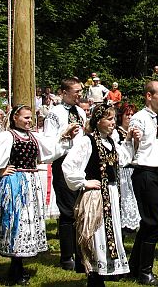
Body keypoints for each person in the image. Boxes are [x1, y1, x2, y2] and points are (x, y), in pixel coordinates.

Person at [0, 104, 77, 285]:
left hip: (31, 184)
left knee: (27, 223)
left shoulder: (34, 137)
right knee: (17, 223)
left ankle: (17, 267)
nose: (29, 121)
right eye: (26, 118)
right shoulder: (7, 137)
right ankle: (16, 268)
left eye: (31, 118)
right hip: (14, 184)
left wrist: (66, 134)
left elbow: (51, 148)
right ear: (15, 118)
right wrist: (0, 170)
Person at [62, 104, 138, 286]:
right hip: (95, 196)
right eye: (109, 119)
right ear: (98, 121)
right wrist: (84, 182)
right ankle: (94, 275)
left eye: (114, 119)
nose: (113, 122)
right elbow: (69, 164)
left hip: (110, 194)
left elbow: (124, 159)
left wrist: (129, 140)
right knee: (95, 233)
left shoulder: (111, 142)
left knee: (107, 233)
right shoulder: (87, 141)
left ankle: (102, 273)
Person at [128, 80, 158, 285]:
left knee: (149, 221)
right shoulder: (139, 118)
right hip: (146, 173)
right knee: (154, 222)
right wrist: (134, 138)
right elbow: (133, 143)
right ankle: (145, 271)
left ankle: (134, 266)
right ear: (149, 96)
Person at [44, 77, 87, 271]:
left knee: (80, 208)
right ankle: (66, 256)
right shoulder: (55, 114)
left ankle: (81, 252)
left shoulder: (80, 112)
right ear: (63, 92)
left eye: (80, 91)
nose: (79, 94)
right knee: (68, 210)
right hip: (63, 161)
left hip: (80, 162)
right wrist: (63, 136)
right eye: (76, 91)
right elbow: (48, 141)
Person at [115, 103, 141, 232]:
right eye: (127, 114)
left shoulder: (136, 131)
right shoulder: (116, 131)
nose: (130, 117)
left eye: (132, 115)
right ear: (121, 116)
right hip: (121, 170)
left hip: (133, 168)